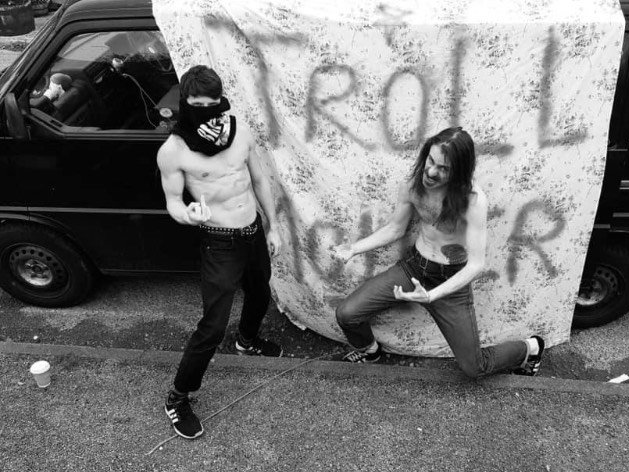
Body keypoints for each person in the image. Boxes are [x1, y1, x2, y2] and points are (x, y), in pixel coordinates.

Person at [333, 127, 544, 378]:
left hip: (450, 281)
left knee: (475, 368)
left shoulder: (473, 200)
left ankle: (531, 348)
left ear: (459, 172)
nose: (432, 172)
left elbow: (476, 264)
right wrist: (354, 248)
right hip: (414, 268)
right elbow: (395, 228)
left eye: (444, 169)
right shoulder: (413, 185)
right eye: (431, 161)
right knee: (346, 314)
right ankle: (369, 351)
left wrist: (432, 296)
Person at [157, 65, 283, 439]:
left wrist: (273, 225)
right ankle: (177, 397)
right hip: (219, 240)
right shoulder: (174, 150)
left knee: (261, 293)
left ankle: (247, 340)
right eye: (197, 105)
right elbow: (173, 202)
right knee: (212, 326)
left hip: (252, 230)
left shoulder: (239, 131)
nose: (207, 111)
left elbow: (258, 179)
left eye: (213, 103)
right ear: (185, 103)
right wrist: (188, 214)